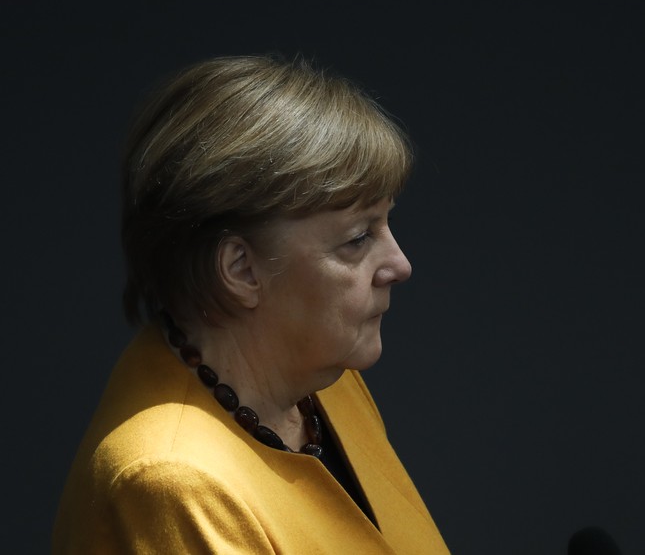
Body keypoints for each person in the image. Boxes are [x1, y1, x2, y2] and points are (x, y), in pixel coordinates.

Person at [52, 54, 450, 554]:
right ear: (241, 269)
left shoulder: (328, 384)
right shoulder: (174, 481)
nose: (400, 264)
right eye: (357, 238)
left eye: (386, 223)